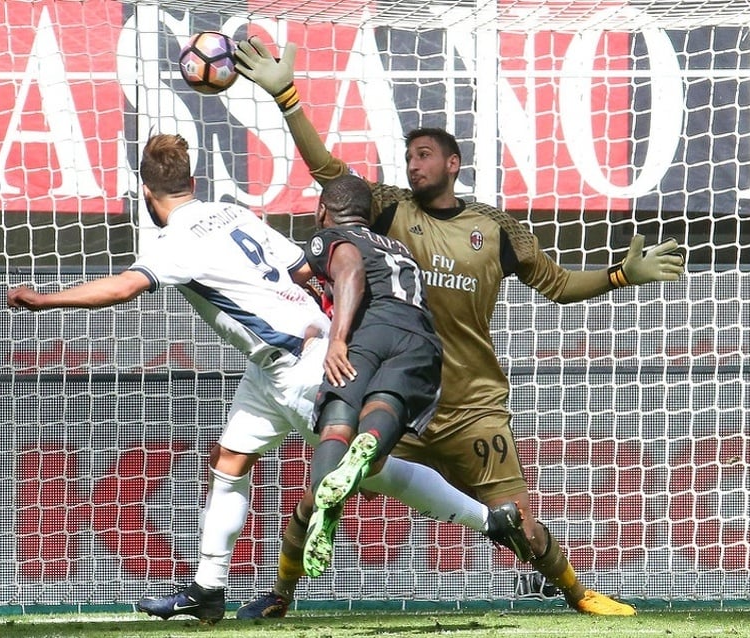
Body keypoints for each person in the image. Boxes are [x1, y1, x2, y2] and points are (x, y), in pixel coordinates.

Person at [234, 37, 686, 618]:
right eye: (409, 155)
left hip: (473, 406)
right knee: (326, 485)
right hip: (400, 391)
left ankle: (578, 593)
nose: (412, 163)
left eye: (423, 154)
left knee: (519, 524)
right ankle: (281, 596)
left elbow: (556, 284)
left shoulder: (496, 228)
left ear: (452, 164)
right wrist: (289, 99)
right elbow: (332, 177)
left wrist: (620, 274)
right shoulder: (392, 210)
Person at [7, 133, 531, 624]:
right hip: (277, 360)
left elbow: (124, 288)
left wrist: (44, 299)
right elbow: (300, 265)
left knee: (370, 474)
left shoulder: (174, 242)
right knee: (230, 459)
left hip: (295, 365)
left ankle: (490, 520)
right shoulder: (233, 212)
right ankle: (207, 590)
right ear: (193, 184)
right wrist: (314, 314)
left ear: (146, 192)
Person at [299, 174, 444, 578]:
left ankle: (324, 507)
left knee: (337, 420)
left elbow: (349, 271)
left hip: (369, 331)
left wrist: (337, 339)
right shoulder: (400, 247)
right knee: (384, 405)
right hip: (420, 338)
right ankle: (371, 443)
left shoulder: (330, 238)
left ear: (323, 209)